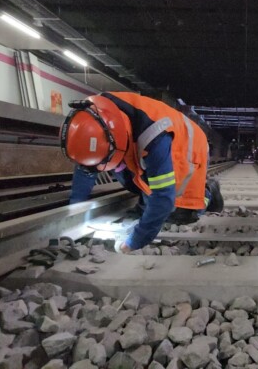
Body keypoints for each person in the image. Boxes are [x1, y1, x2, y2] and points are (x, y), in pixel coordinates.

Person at [60, 92, 224, 253]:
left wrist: (135, 241)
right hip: (146, 142)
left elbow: (163, 199)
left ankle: (209, 193)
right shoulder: (93, 117)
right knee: (146, 202)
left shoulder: (154, 138)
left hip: (188, 144)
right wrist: (75, 212)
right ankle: (146, 203)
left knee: (179, 213)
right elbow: (87, 166)